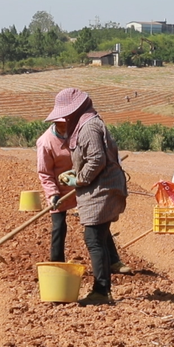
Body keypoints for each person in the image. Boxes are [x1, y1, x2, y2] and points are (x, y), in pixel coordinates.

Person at [44, 88, 128, 305]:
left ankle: (101, 291)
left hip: (102, 190)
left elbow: (97, 159)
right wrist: (76, 173)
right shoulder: (87, 124)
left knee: (93, 239)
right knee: (97, 238)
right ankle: (103, 288)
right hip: (101, 187)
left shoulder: (88, 127)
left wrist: (79, 179)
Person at [36, 117, 79, 263]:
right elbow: (45, 173)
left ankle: (113, 261)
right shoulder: (45, 142)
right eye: (60, 125)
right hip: (59, 190)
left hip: (81, 185)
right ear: (55, 123)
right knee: (59, 226)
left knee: (96, 222)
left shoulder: (77, 133)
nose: (64, 128)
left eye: (66, 124)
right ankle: (57, 263)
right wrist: (53, 194)